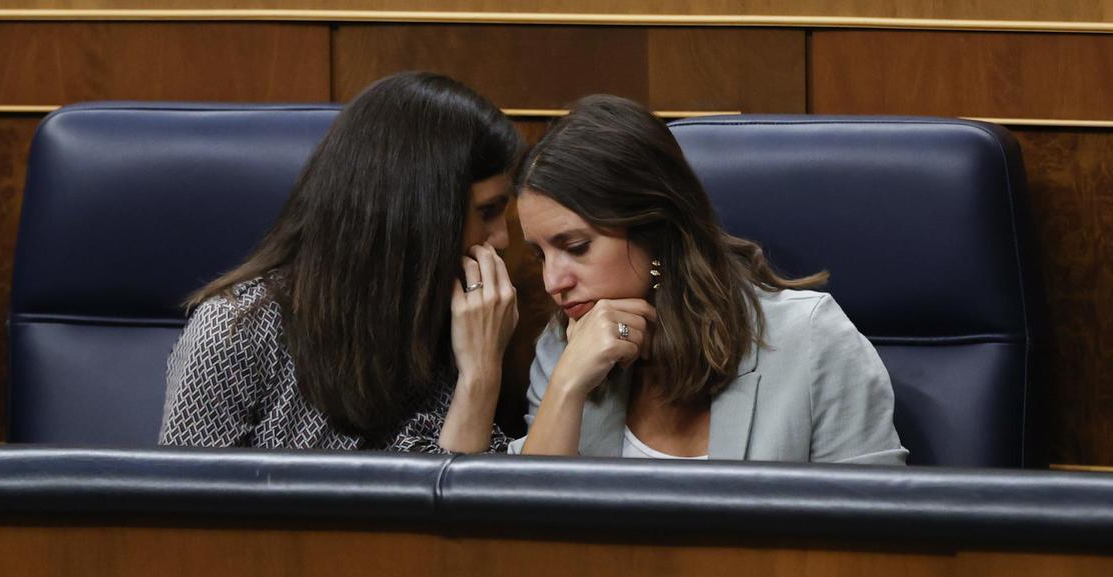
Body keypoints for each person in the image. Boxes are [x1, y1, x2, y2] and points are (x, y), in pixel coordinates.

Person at [509, 95, 907, 464]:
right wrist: (566, 387)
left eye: (576, 247)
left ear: (656, 230)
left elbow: (876, 527)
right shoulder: (565, 346)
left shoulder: (812, 340)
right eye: (540, 255)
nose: (551, 281)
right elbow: (522, 530)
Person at [159, 72, 522, 453]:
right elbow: (185, 509)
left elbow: (463, 506)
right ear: (418, 216)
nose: (502, 239)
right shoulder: (234, 332)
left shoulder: (461, 322)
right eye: (488, 211)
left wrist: (479, 376)